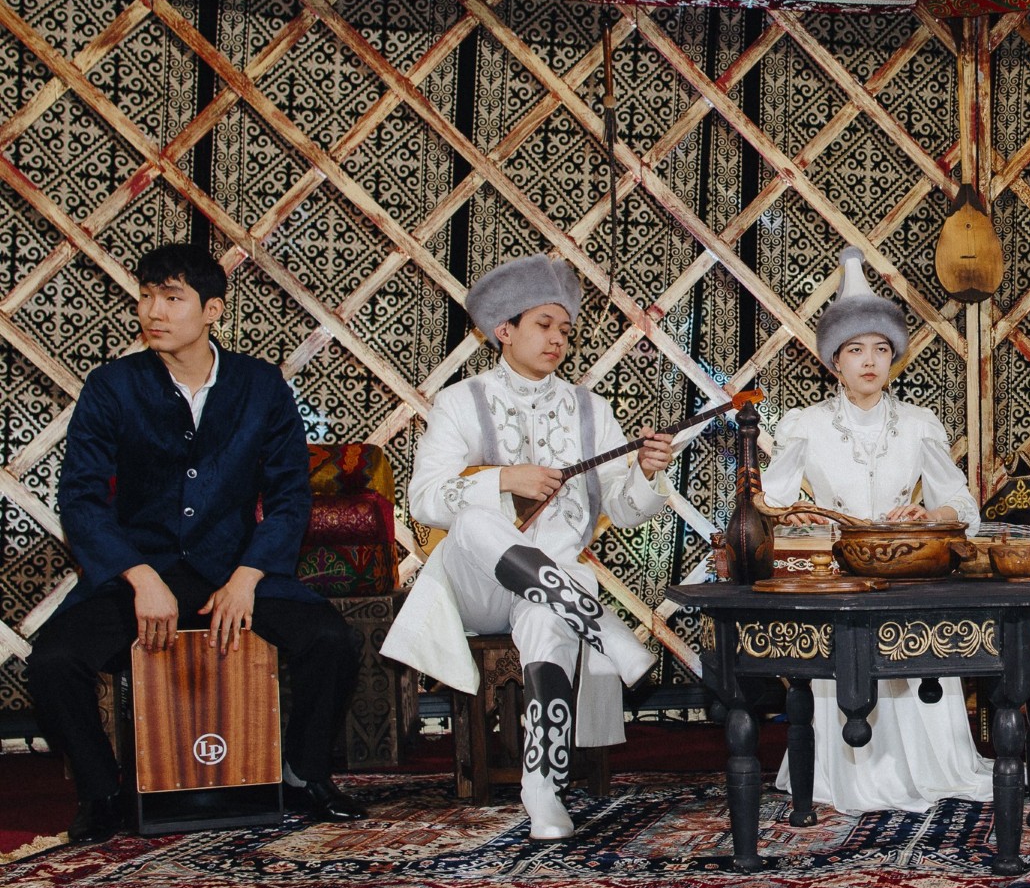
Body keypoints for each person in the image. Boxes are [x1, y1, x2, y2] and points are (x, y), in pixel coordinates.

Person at [27, 244, 365, 842]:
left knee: (331, 640)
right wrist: (138, 575)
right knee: (53, 661)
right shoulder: (112, 386)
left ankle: (303, 775)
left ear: (213, 310)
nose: (153, 311)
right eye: (146, 296)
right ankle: (102, 794)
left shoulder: (259, 385)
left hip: (232, 570)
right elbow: (80, 498)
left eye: (172, 297)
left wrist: (249, 576)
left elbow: (290, 495)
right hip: (139, 574)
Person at [383, 255, 674, 840]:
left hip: (552, 582)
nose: (557, 339)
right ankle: (604, 629)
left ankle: (543, 791)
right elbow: (425, 500)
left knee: (546, 617)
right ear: (505, 329)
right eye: (544, 325)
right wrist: (503, 480)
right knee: (472, 520)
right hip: (477, 586)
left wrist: (645, 473)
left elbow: (622, 510)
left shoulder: (592, 411)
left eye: (565, 330)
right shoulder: (460, 402)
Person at [765, 246, 994, 814]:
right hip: (837, 578)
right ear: (834, 361)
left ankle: (931, 766)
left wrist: (929, 516)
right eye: (855, 350)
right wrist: (799, 514)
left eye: (881, 349)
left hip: (906, 571)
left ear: (894, 357)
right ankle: (848, 774)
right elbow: (770, 501)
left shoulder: (919, 425)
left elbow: (961, 506)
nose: (870, 361)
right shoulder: (805, 426)